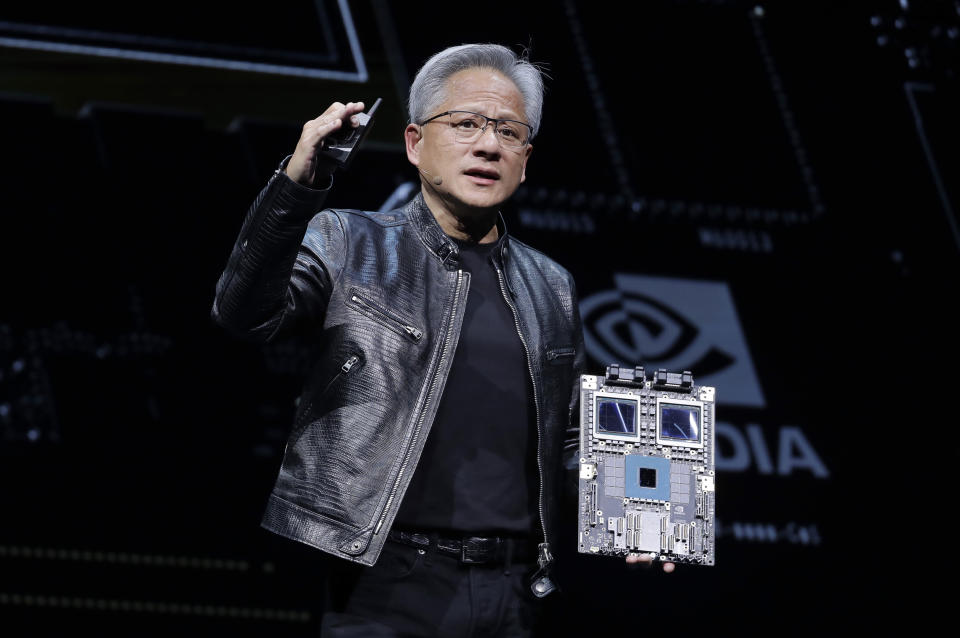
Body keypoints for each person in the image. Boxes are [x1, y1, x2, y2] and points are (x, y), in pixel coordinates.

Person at [212, 43, 668, 637]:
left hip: (514, 592)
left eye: (508, 131)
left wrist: (642, 508)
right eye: (467, 124)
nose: (488, 145)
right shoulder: (350, 241)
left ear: (525, 159)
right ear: (414, 143)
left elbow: (571, 436)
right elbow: (243, 314)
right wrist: (299, 184)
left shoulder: (551, 284)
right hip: (383, 579)